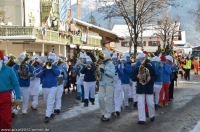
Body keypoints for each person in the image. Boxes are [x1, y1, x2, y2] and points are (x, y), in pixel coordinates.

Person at [132, 53, 156, 124]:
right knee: (140, 104)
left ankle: (152, 115)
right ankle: (141, 119)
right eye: (141, 59)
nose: (142, 61)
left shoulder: (150, 67)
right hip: (140, 88)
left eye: (143, 59)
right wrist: (137, 76)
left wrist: (150, 78)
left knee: (150, 103)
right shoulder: (137, 68)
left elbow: (155, 76)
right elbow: (133, 78)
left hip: (149, 88)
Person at [0, 51, 21, 130]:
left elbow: (16, 84)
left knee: (5, 120)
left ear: (1, 60)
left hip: (5, 97)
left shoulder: (9, 70)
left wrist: (18, 97)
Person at [37, 52, 60, 123]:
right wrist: (43, 68)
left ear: (53, 61)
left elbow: (58, 73)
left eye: (51, 60)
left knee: (50, 101)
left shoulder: (55, 67)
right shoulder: (44, 67)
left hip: (53, 86)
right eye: (49, 60)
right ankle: (51, 113)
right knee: (47, 101)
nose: (49, 61)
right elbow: (39, 75)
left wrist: (52, 67)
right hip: (44, 86)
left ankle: (47, 116)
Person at [98, 49, 115, 121]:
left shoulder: (111, 65)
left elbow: (112, 74)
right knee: (100, 98)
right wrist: (97, 73)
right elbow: (99, 74)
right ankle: (103, 112)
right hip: (101, 83)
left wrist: (105, 71)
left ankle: (107, 115)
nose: (101, 59)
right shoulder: (100, 65)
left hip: (109, 84)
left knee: (109, 100)